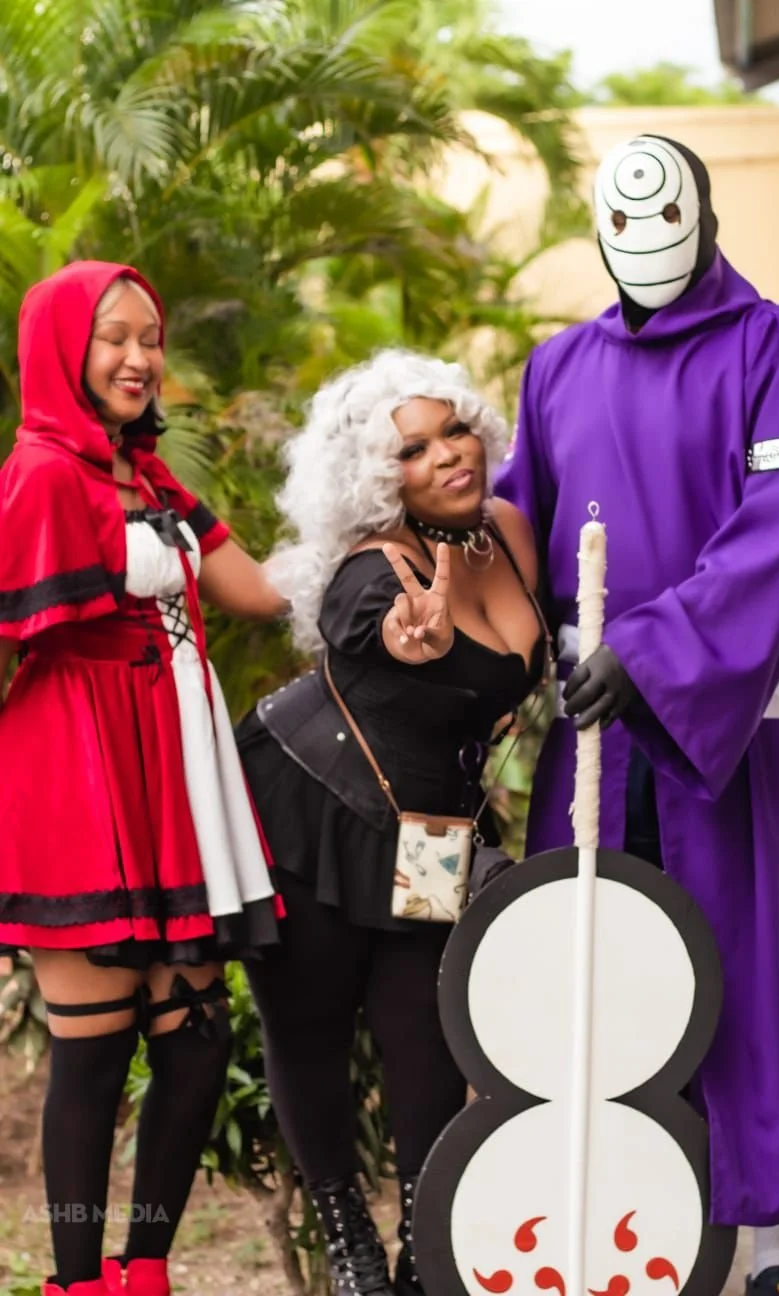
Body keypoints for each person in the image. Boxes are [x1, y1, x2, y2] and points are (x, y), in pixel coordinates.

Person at [496, 133, 779, 1296]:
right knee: (600, 979)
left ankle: (778, 1247)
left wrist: (651, 654)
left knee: (750, 979)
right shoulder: (554, 369)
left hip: (740, 734)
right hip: (596, 739)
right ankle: (615, 1233)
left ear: (705, 215)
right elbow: (518, 523)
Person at [0, 261, 289, 1296]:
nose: (137, 357)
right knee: (91, 1050)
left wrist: (372, 544)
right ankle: (78, 1281)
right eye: (113, 337)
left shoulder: (151, 477)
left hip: (177, 770)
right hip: (78, 773)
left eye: (149, 337)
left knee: (197, 1038)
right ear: (63, 352)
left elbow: (255, 591)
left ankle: (145, 1270)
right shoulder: (40, 474)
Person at [235, 349, 550, 1296]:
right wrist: (419, 634)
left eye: (454, 428)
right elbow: (364, 621)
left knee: (426, 1044)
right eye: (414, 449)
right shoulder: (377, 570)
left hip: (429, 838)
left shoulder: (506, 529)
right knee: (310, 1030)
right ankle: (348, 1239)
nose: (449, 453)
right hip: (313, 808)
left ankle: (421, 1248)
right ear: (380, 479)